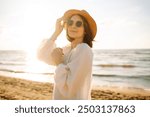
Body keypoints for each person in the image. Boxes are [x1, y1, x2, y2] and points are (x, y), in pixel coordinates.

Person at [37, 9, 97, 100]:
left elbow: (69, 89)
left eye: (78, 24)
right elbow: (41, 55)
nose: (73, 26)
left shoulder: (84, 49)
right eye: (70, 22)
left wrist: (59, 63)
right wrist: (56, 32)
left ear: (85, 30)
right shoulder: (67, 49)